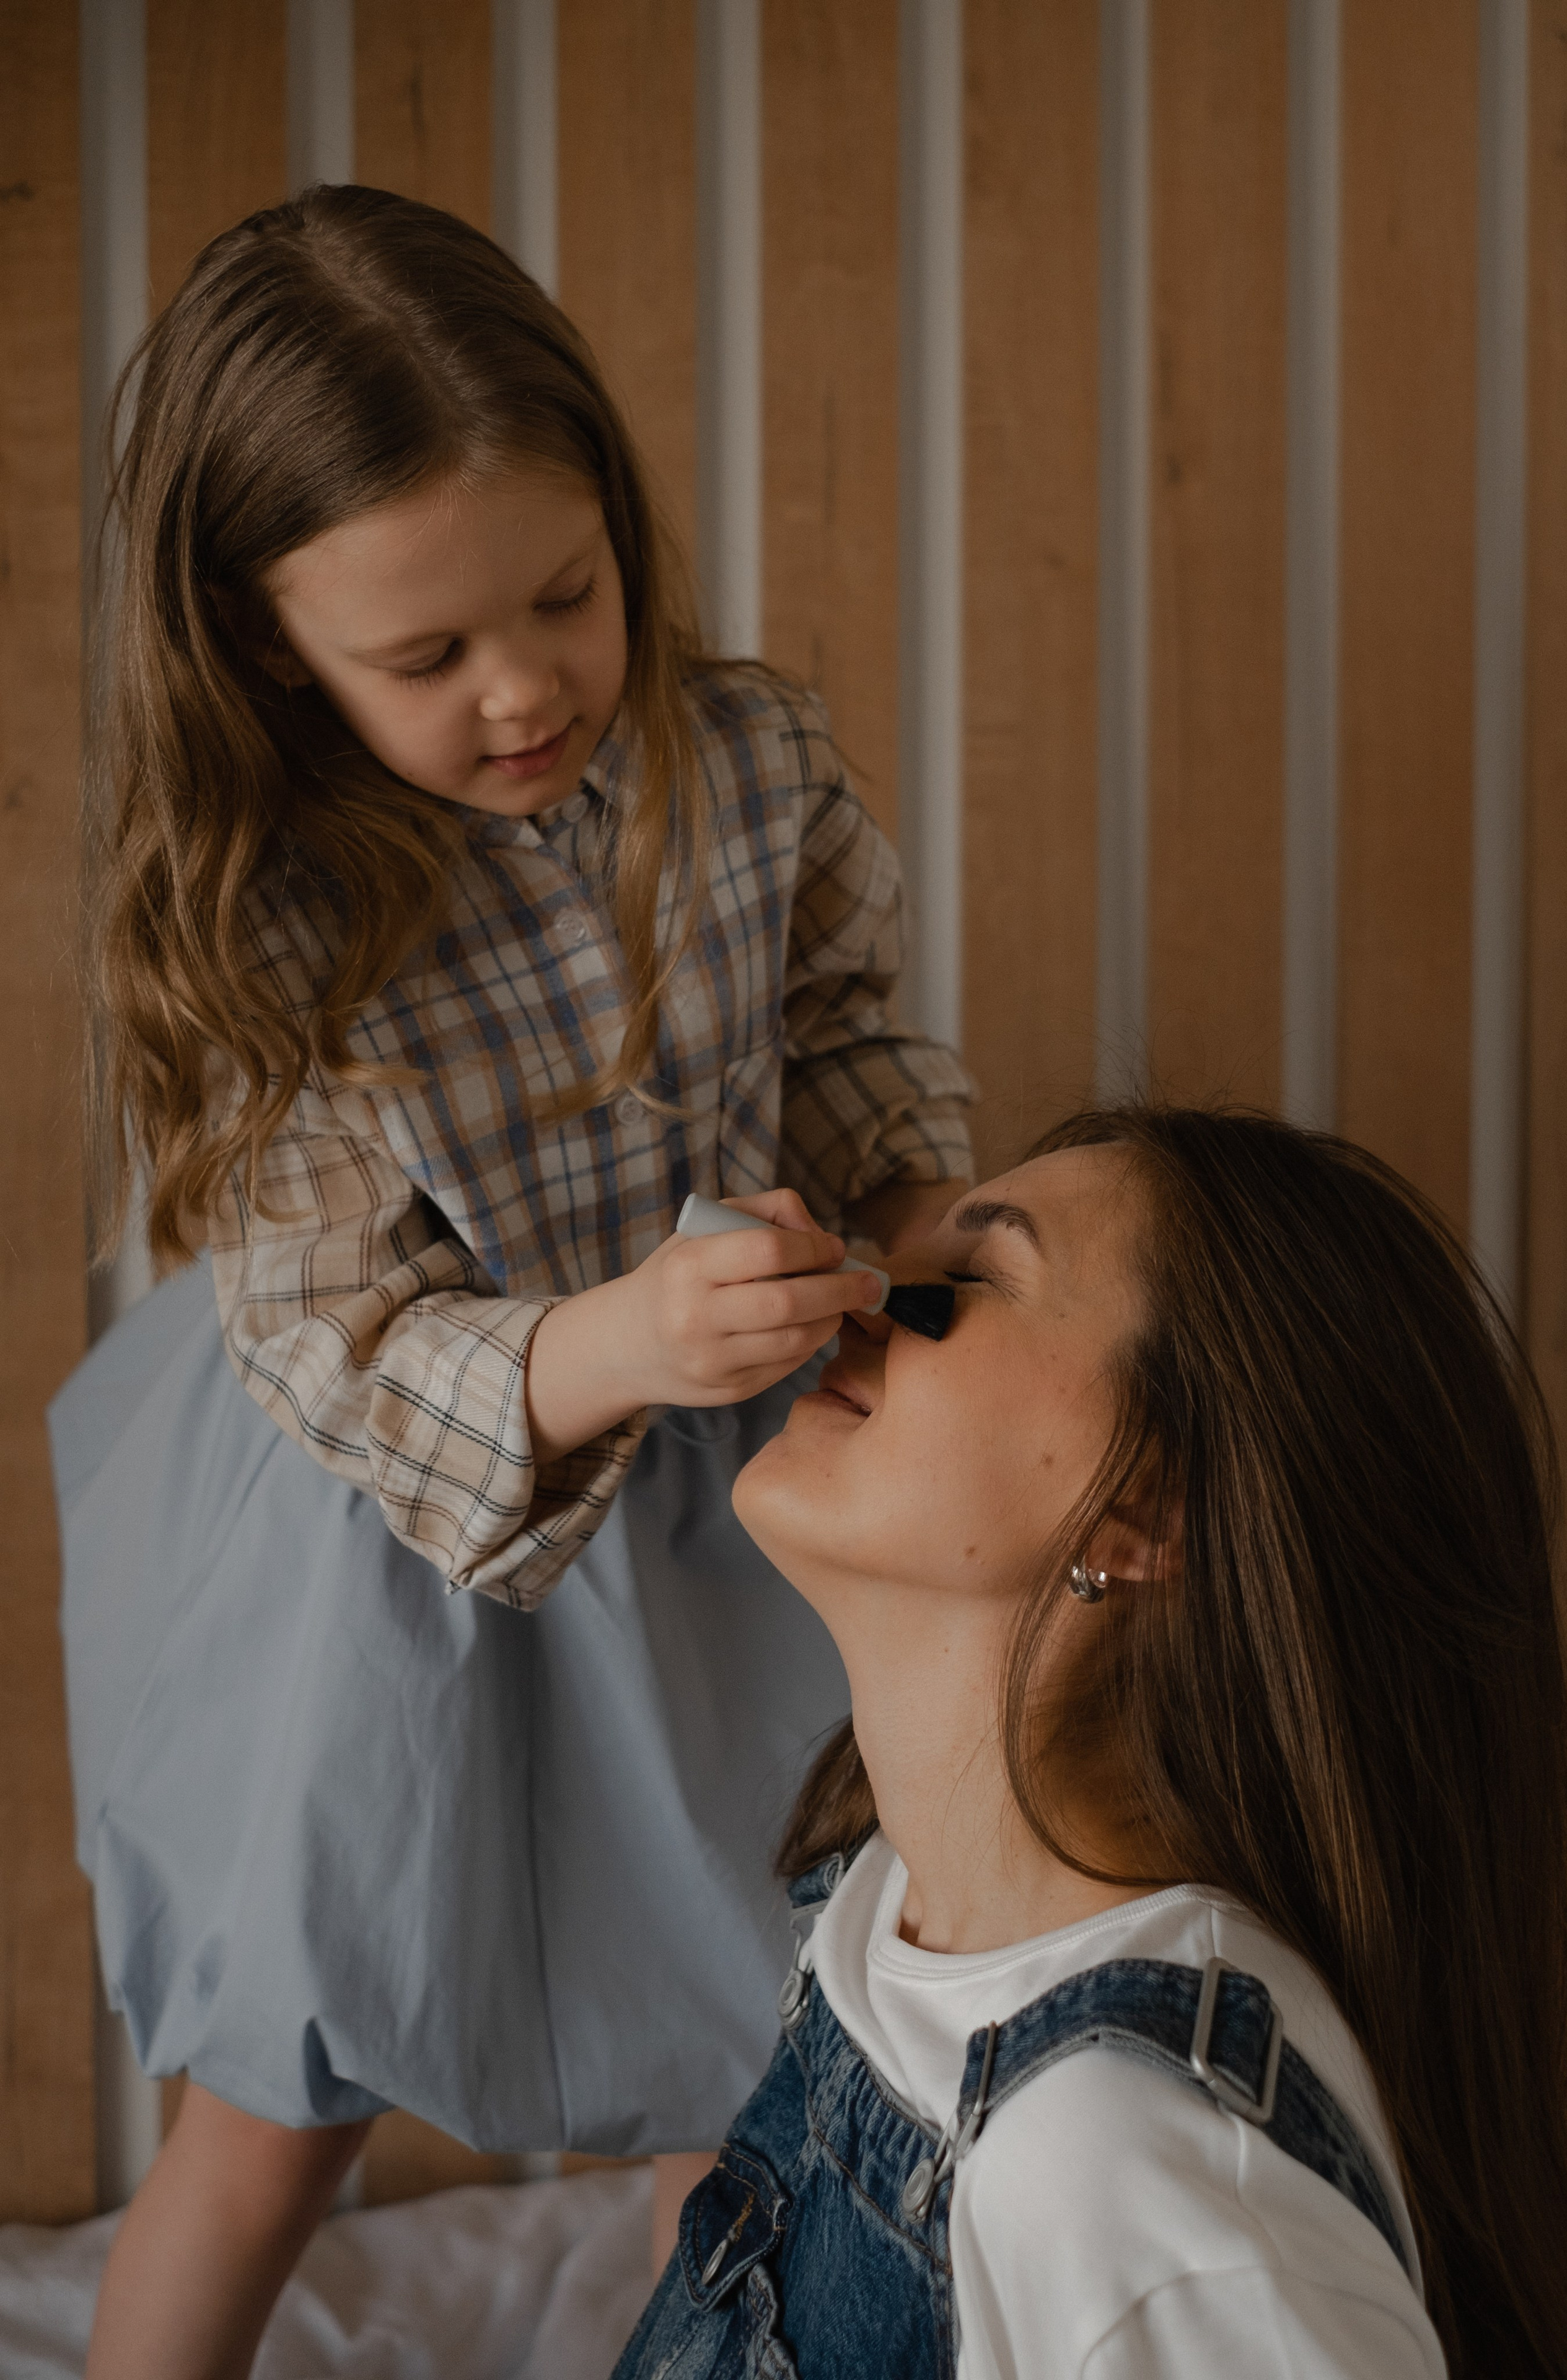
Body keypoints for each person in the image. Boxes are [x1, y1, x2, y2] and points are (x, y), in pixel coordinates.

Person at [52, 183, 973, 2380]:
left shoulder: (740, 763)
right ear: (272, 641)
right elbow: (338, 1341)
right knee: (277, 2106)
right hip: (379, 1541)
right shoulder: (271, 918)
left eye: (567, 595)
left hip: (711, 1509)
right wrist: (609, 1341)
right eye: (428, 654)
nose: (529, 683)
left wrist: (916, 1199)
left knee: (743, 2051)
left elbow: (842, 1025)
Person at [618, 1105, 1567, 2379]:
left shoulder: (1132, 2175)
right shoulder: (890, 1898)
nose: (862, 1304)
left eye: (968, 1277)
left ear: (1140, 1507)